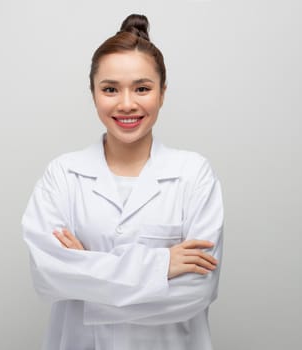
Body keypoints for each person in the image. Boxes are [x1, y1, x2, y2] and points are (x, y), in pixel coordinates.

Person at [22, 14, 224, 350]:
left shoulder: (193, 174)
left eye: (142, 88)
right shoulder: (63, 174)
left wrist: (83, 279)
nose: (126, 103)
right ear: (93, 93)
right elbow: (48, 276)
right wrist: (163, 265)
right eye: (110, 89)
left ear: (162, 93)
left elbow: (196, 292)